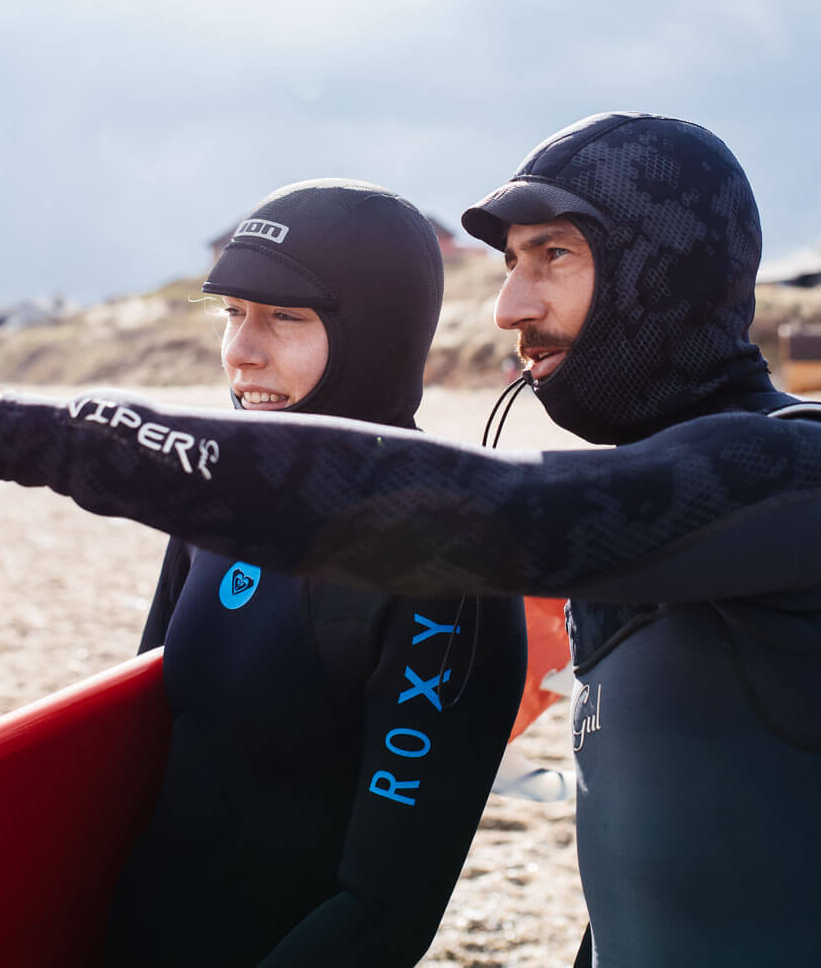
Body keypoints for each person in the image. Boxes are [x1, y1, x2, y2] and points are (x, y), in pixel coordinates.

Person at [0, 112, 821, 967]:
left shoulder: (813, 479)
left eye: (558, 258)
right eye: (509, 264)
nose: (513, 306)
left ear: (668, 278)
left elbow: (482, 518)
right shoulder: (659, 515)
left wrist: (20, 431)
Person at [104, 179, 526, 965]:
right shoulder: (213, 507)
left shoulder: (442, 564)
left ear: (377, 333)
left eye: (284, 318)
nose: (241, 351)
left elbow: (383, 908)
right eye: (232, 314)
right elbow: (136, 763)